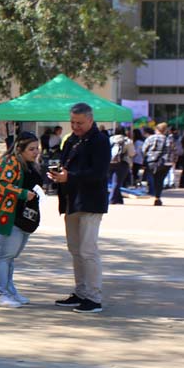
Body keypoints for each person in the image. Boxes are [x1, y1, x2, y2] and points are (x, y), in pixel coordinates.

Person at [47, 103, 110, 313]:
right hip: (70, 201)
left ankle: (94, 298)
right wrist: (58, 175)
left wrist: (70, 176)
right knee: (75, 250)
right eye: (72, 122)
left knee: (87, 250)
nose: (75, 126)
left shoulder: (100, 141)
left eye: (79, 123)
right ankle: (81, 292)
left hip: (91, 202)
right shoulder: (71, 140)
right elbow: (67, 166)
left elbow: (98, 173)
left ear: (90, 120)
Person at [0, 132, 43, 307]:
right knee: (2, 256)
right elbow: (0, 184)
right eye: (31, 149)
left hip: (20, 217)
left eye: (37, 148)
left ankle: (8, 291)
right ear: (19, 149)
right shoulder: (9, 162)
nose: (36, 152)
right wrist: (23, 193)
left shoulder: (30, 163)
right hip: (3, 216)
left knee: (9, 257)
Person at [143, 123, 172, 206]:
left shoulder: (150, 138)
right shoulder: (168, 139)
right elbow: (172, 151)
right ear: (165, 130)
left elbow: (144, 149)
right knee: (160, 180)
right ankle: (157, 196)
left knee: (152, 178)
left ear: (156, 129)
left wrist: (146, 158)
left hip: (151, 161)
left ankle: (152, 193)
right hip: (164, 163)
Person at [107, 125, 134, 204]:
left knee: (114, 181)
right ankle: (111, 199)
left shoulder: (110, 139)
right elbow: (131, 153)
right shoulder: (127, 141)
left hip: (109, 162)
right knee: (117, 182)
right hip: (123, 162)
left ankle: (119, 199)